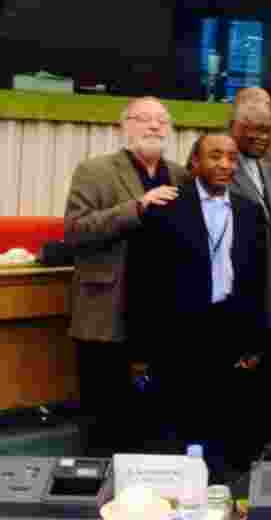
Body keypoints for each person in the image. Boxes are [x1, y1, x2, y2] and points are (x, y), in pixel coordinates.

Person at [129, 132, 266, 481]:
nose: (224, 165)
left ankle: (218, 491)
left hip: (228, 325)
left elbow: (255, 278)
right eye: (215, 156)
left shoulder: (249, 211)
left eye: (231, 158)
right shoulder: (168, 208)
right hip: (178, 330)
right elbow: (144, 281)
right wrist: (141, 348)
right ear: (194, 163)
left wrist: (253, 341)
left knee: (223, 417)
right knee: (178, 420)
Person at [64, 96, 188, 456]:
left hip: (163, 316)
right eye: (144, 119)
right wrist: (138, 206)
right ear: (125, 126)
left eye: (162, 121)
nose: (154, 127)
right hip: (108, 313)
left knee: (155, 417)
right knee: (106, 419)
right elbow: (75, 230)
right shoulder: (95, 170)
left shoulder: (180, 174)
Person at [227, 95, 271, 456]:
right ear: (235, 128)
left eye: (268, 129)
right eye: (253, 129)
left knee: (266, 376)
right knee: (235, 379)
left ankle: (260, 446)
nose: (262, 137)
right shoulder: (219, 165)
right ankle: (236, 456)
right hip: (236, 292)